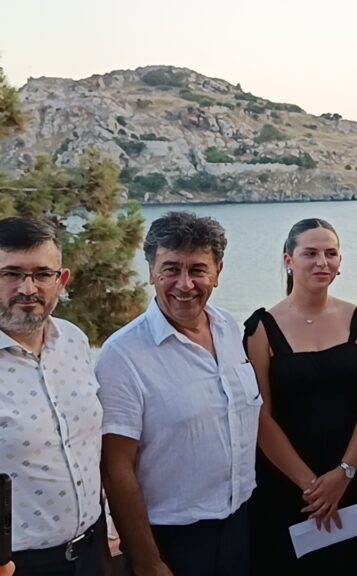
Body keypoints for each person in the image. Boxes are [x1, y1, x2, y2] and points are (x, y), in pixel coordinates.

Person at [97, 212, 259, 576]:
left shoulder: (228, 328)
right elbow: (116, 469)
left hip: (241, 524)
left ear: (217, 273)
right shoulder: (122, 355)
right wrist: (148, 561)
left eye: (198, 270)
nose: (184, 285)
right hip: (172, 539)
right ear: (151, 272)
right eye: (171, 269)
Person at [242, 219, 357, 574]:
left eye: (330, 253)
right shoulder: (261, 329)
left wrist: (344, 473)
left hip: (354, 474)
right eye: (310, 253)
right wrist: (312, 486)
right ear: (289, 261)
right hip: (288, 482)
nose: (322, 262)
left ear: (340, 262)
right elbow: (261, 415)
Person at [0, 217, 109, 576]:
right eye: (11, 274)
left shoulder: (74, 340)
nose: (27, 289)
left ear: (62, 281)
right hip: (17, 565)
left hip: (89, 552)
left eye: (42, 274)